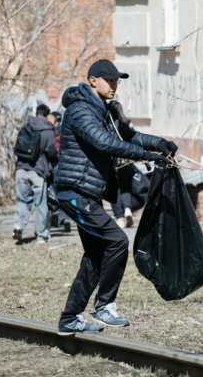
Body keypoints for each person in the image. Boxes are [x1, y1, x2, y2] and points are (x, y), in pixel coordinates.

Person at [54, 59, 177, 335]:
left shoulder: (105, 111)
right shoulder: (80, 110)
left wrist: (159, 143)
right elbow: (103, 141)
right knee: (118, 241)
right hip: (75, 192)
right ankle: (104, 306)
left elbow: (129, 135)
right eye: (110, 80)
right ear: (93, 80)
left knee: (97, 255)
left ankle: (69, 318)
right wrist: (146, 156)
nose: (114, 85)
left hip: (88, 193)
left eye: (117, 81)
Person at [13, 104, 57, 243]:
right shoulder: (48, 130)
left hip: (21, 169)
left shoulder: (24, 126)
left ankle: (18, 225)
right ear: (47, 115)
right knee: (41, 204)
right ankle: (42, 235)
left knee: (22, 199)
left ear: (36, 113)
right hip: (38, 171)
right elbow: (51, 152)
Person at [107, 100, 135, 228]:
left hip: (113, 161)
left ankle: (119, 217)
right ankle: (128, 210)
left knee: (115, 188)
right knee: (126, 186)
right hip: (126, 161)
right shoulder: (127, 124)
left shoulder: (109, 124)